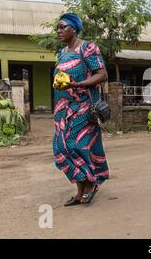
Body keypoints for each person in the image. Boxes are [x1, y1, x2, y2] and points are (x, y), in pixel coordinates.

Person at [53, 13, 109, 206]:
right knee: (62, 148)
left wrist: (77, 85)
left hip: (84, 106)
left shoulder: (88, 48)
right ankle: (79, 190)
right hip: (63, 109)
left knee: (80, 146)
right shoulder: (61, 53)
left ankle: (90, 184)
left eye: (63, 27)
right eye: (57, 28)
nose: (58, 31)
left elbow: (102, 75)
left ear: (74, 29)